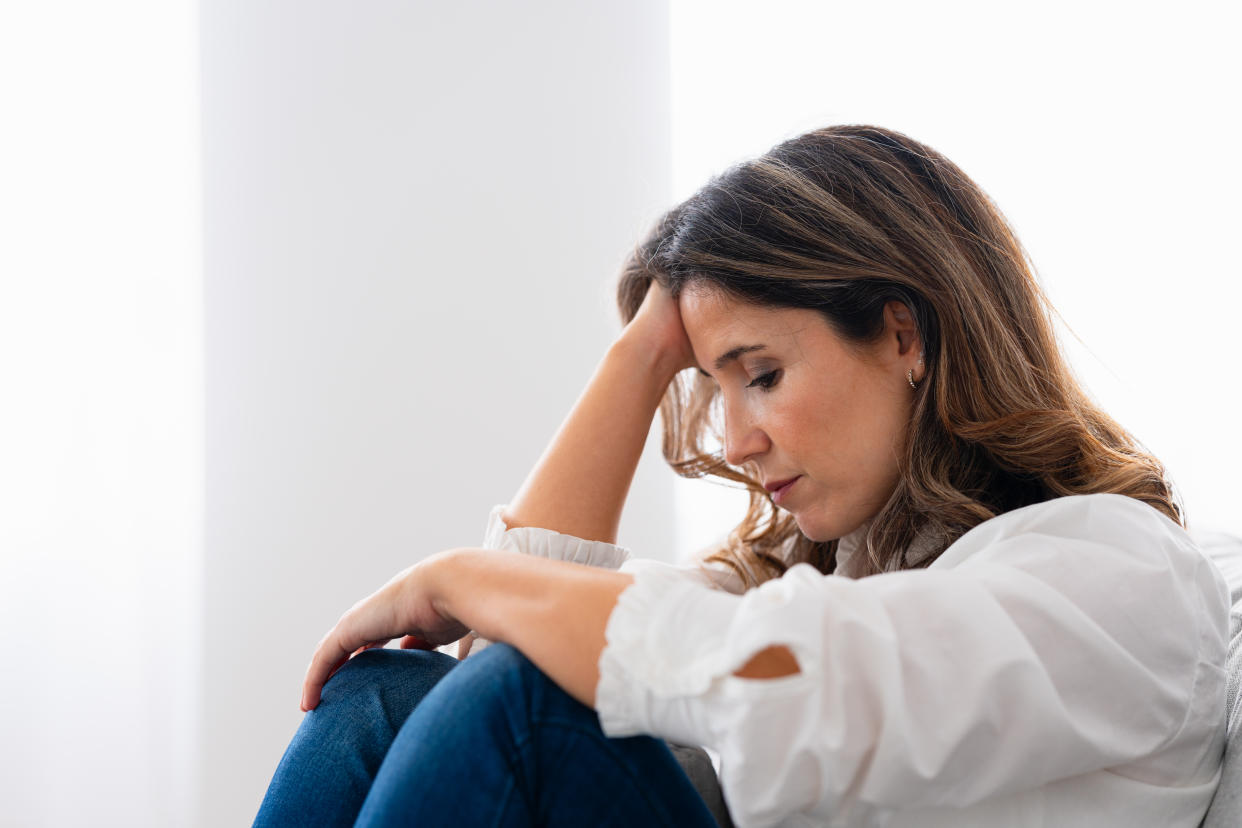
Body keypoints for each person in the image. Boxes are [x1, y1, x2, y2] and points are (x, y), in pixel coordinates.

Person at [253, 125, 1230, 827]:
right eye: (712, 386)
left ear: (903, 334)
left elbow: (787, 676)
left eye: (760, 375)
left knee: (523, 706)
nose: (732, 439)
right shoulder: (823, 578)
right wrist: (640, 357)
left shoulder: (1118, 570)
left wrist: (457, 577)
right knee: (389, 693)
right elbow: (512, 645)